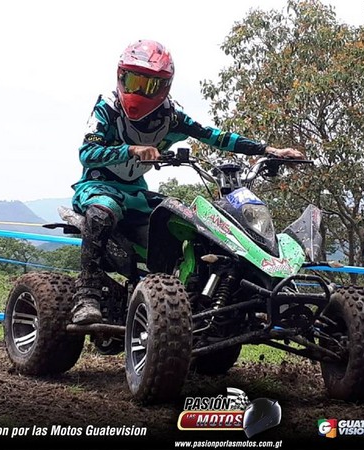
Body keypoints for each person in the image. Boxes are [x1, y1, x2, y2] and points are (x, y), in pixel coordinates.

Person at [70, 39, 303, 325]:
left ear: (165, 86)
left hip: (136, 194)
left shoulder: (171, 116)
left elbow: (215, 136)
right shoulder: (107, 108)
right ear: (121, 76)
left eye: (149, 85)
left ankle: (181, 295)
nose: (139, 91)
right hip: (97, 186)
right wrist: (131, 150)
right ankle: (87, 295)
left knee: (180, 218)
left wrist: (268, 150)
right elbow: (87, 153)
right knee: (102, 211)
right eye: (133, 81)